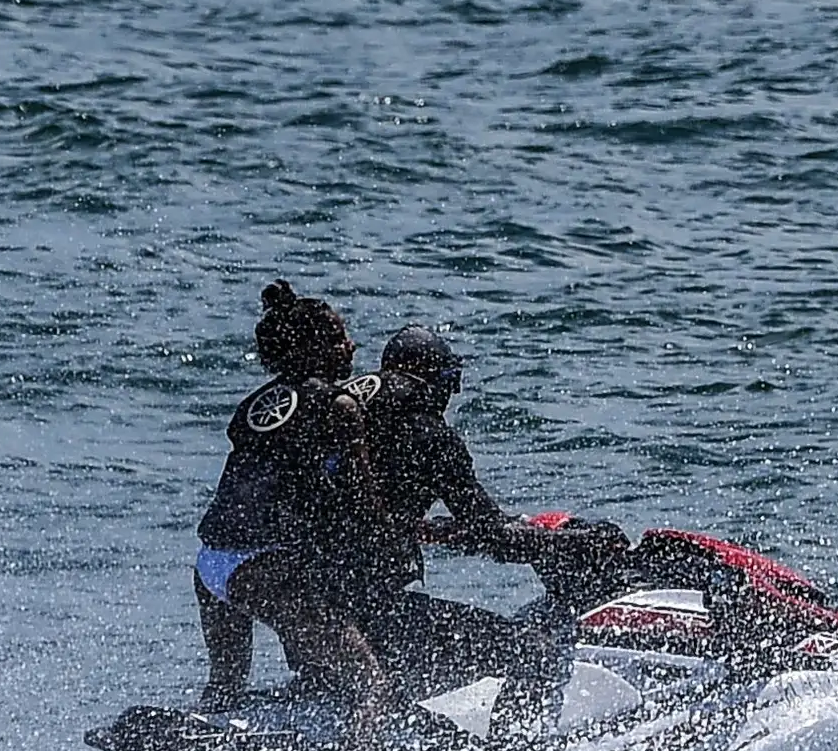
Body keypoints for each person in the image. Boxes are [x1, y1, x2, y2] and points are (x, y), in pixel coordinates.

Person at [343, 323, 615, 707]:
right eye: (450, 381)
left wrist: (441, 531)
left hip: (313, 611)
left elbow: (373, 519)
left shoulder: (344, 421)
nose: (451, 395)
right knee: (534, 651)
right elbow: (495, 538)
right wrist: (575, 542)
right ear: (433, 381)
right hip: (374, 613)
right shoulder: (427, 434)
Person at [193, 282, 400, 715]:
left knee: (225, 689)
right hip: (263, 569)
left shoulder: (253, 405)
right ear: (315, 348)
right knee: (372, 687)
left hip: (211, 564)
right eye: (341, 337)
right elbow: (363, 505)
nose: (351, 345)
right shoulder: (338, 406)